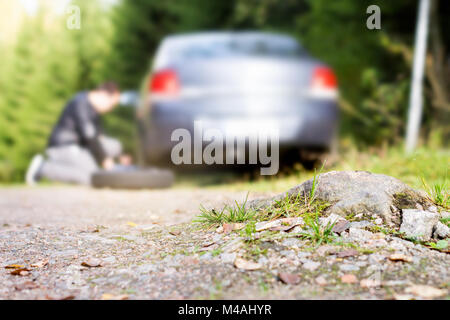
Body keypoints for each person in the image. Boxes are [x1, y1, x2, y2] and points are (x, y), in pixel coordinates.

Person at [25, 82, 131, 186]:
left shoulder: (95, 110)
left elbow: (100, 137)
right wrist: (106, 161)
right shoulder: (81, 103)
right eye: (111, 104)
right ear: (103, 95)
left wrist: (121, 155)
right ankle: (43, 167)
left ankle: (91, 166)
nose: (110, 109)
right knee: (92, 177)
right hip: (63, 146)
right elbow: (90, 137)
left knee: (115, 145)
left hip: (81, 147)